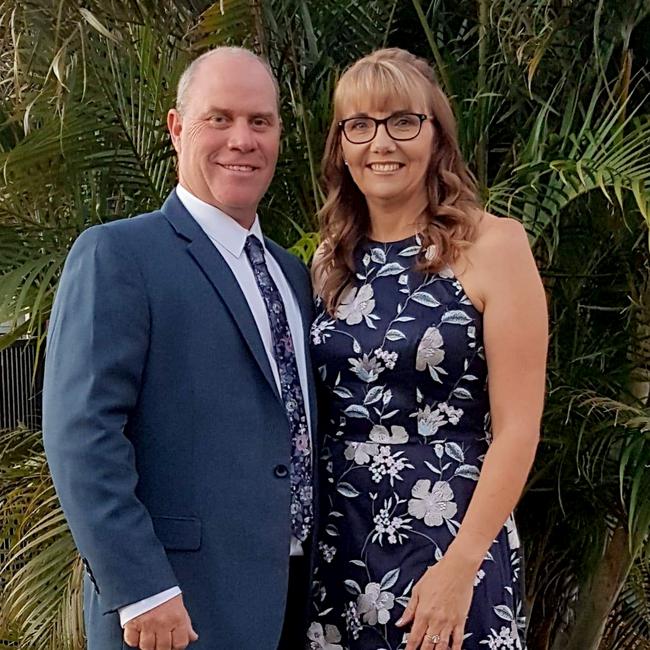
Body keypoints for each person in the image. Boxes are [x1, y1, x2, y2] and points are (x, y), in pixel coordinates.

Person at [42, 47, 317, 650]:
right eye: (218, 118)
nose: (241, 140)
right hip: (172, 613)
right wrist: (142, 589)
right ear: (175, 128)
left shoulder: (292, 274)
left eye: (260, 122)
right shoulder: (118, 255)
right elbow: (80, 435)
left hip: (288, 602)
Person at [307, 48, 547, 650]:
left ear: (435, 135)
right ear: (341, 146)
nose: (380, 143)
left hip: (452, 541)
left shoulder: (494, 246)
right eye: (358, 125)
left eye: (402, 122)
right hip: (342, 541)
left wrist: (461, 567)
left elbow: (519, 430)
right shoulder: (327, 260)